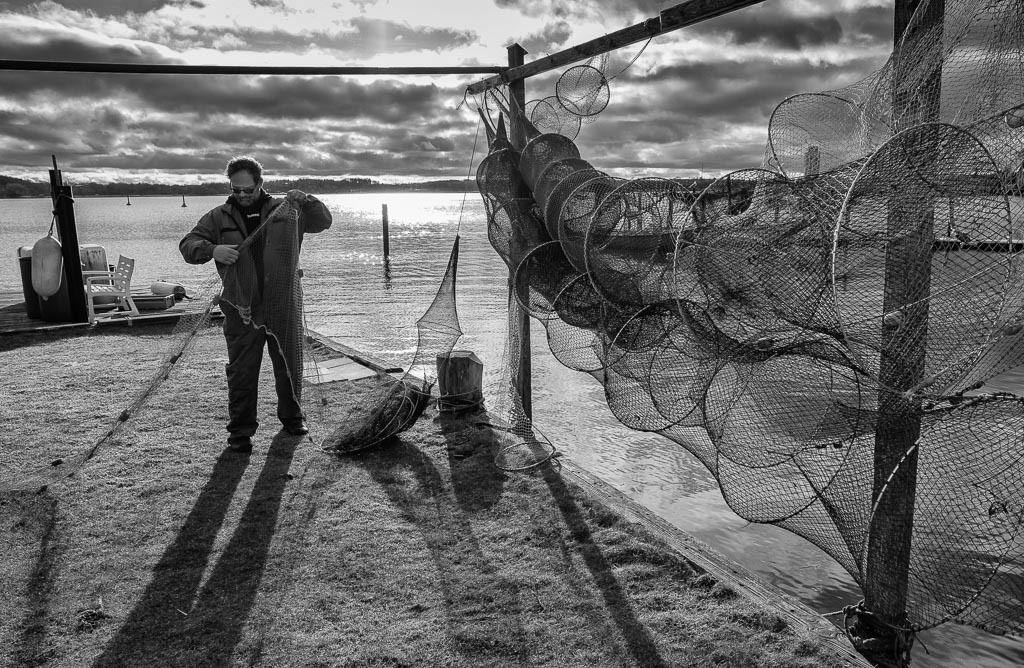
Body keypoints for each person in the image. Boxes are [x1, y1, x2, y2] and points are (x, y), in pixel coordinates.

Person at [179, 156, 333, 453]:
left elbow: (323, 222)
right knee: (241, 371)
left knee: (289, 364)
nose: (242, 196)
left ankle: (293, 418)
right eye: (236, 190)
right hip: (241, 307)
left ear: (261, 184)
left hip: (284, 301)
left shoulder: (286, 209)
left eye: (247, 190)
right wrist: (214, 249)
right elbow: (188, 246)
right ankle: (240, 432)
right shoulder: (218, 217)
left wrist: (309, 200)